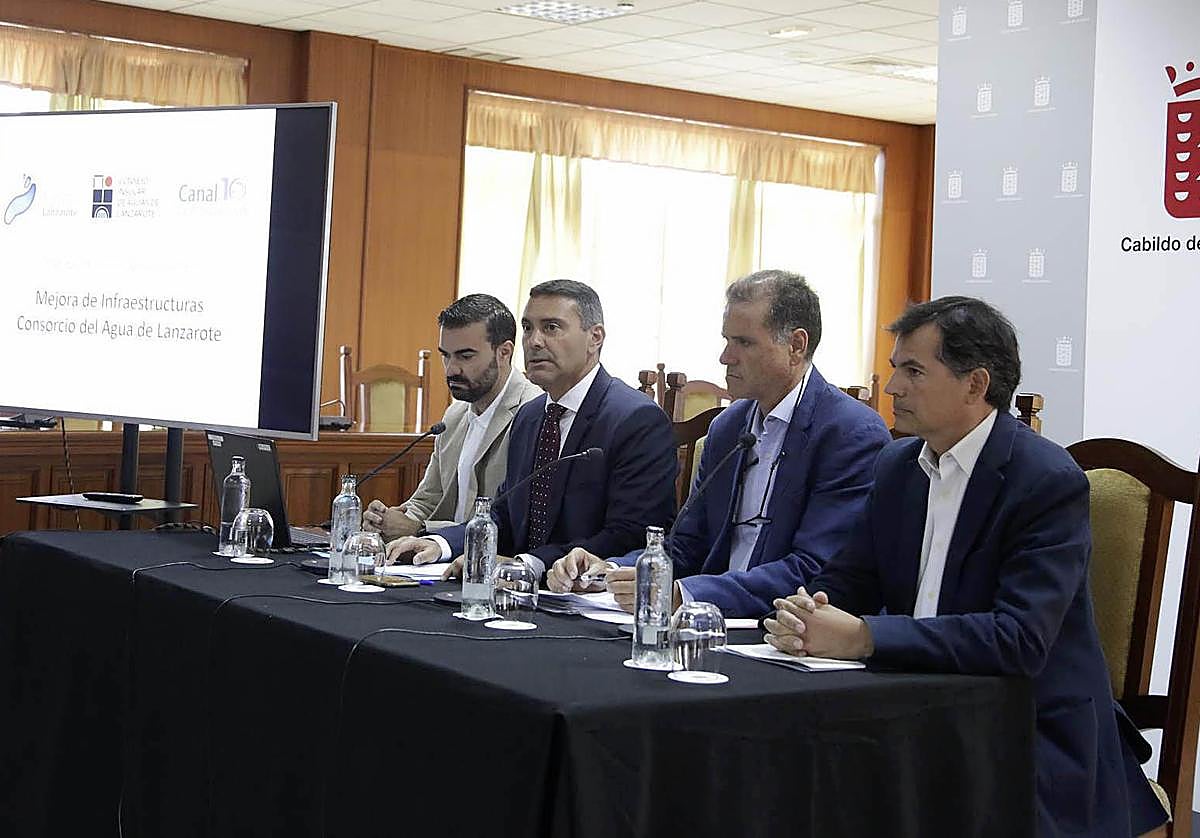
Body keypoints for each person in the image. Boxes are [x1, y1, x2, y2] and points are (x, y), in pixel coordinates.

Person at [764, 296, 1168, 838]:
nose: (891, 389)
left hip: (1025, 732)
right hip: (918, 709)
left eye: (913, 372)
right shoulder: (897, 465)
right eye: (893, 370)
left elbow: (1019, 639)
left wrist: (863, 637)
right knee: (788, 777)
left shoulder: (1044, 480)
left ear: (975, 385)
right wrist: (810, 612)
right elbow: (851, 579)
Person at [547, 270, 890, 617]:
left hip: (783, 631)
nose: (726, 357)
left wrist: (687, 593)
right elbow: (686, 546)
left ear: (796, 346)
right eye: (727, 340)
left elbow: (815, 570)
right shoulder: (729, 427)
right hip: (704, 621)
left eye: (744, 342)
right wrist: (611, 570)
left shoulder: (850, 433)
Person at [386, 279, 678, 580]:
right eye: (528, 328)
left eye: (551, 327)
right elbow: (505, 515)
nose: (534, 341)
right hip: (519, 593)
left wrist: (528, 563)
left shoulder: (636, 419)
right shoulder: (530, 416)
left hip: (585, 598)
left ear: (595, 338)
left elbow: (630, 536)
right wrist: (440, 544)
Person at [361, 294, 541, 539]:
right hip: (438, 558)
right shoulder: (454, 416)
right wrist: (390, 520)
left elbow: (509, 521)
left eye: (465, 356)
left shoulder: (533, 412)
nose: (451, 369)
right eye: (446, 355)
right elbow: (428, 499)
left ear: (504, 352)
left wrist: (421, 529)